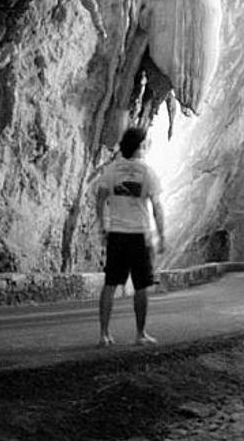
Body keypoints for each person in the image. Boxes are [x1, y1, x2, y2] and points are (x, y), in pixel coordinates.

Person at [95, 126, 166, 346]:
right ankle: (140, 333)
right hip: (139, 235)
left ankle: (104, 334)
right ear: (140, 146)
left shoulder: (112, 170)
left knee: (110, 284)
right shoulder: (147, 172)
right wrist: (161, 234)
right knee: (141, 286)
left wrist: (103, 226)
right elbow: (157, 207)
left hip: (116, 233)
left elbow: (99, 200)